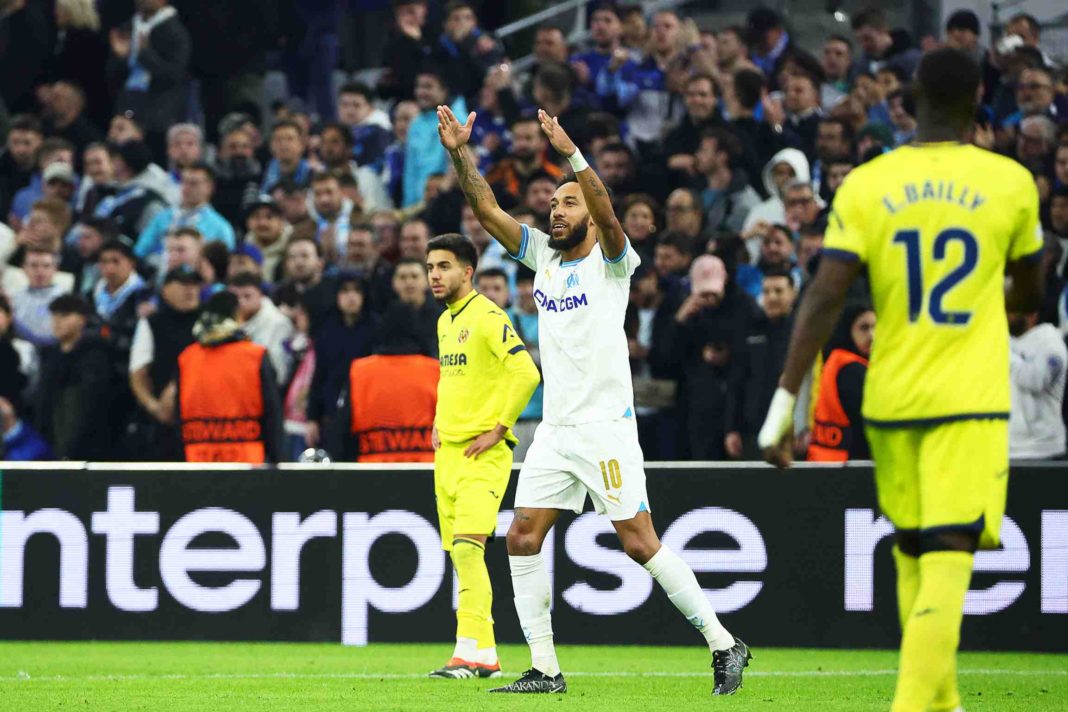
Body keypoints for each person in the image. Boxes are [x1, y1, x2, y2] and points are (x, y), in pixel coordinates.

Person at [758, 49, 1045, 712]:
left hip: (889, 400)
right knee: (950, 550)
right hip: (966, 399)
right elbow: (1028, 293)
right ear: (979, 96)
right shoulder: (1009, 183)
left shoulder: (866, 183)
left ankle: (942, 704)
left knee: (913, 549)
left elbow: (824, 297)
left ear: (909, 96)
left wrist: (782, 409)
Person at [439, 103, 750, 695]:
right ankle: (545, 671)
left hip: (606, 427)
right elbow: (485, 208)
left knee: (638, 543)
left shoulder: (614, 263)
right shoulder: (542, 258)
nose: (557, 212)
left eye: (568, 203)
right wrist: (459, 151)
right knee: (521, 537)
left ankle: (723, 641)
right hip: (556, 429)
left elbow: (607, 211)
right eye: (554, 204)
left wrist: (572, 155)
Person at [423, 233, 539, 678]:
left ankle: (465, 653)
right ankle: (486, 656)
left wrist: (500, 428)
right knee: (460, 554)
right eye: (431, 267)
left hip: (481, 455)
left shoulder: (489, 316)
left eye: (444, 266)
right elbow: (454, 378)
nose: (435, 275)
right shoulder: (445, 321)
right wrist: (438, 420)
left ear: (467, 272)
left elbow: (526, 372)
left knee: (470, 551)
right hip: (448, 452)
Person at [176, 290, 283, 463]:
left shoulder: (187, 358)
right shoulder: (255, 356)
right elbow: (273, 415)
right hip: (247, 463)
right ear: (237, 315)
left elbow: (178, 419)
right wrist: (280, 462)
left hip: (198, 462)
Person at [128, 265, 201, 461]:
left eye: (194, 284)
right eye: (183, 284)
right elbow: (138, 373)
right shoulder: (152, 323)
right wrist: (154, 407)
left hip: (202, 418)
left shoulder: (210, 322)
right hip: (166, 423)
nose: (190, 290)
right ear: (165, 290)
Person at [725, 268, 797, 459]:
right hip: (753, 432)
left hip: (791, 433)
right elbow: (737, 382)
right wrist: (732, 428)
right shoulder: (750, 329)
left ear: (793, 294)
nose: (772, 297)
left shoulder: (801, 335)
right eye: (766, 291)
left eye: (779, 291)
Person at [106, 0, 191, 159]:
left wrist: (145, 55)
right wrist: (120, 58)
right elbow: (111, 77)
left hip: (157, 115)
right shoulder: (128, 27)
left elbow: (174, 76)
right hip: (127, 106)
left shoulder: (175, 32)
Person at [35, 293, 113, 459]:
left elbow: (92, 403)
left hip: (89, 446)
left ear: (82, 319)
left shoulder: (95, 353)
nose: (57, 322)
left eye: (64, 315)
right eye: (54, 316)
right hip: (51, 443)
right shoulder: (49, 355)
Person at [807, 305, 874, 461]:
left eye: (875, 327)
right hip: (847, 464)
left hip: (823, 459)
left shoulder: (835, 360)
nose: (872, 336)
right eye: (863, 328)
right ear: (847, 330)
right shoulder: (853, 369)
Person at [1008, 309, 1067, 459]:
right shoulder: (1002, 340)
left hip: (1045, 448)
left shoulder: (1050, 342)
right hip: (1008, 447)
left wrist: (1002, 352)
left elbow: (1035, 380)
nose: (1008, 315)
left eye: (1014, 311)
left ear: (1032, 315)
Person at [228, 271, 293, 383]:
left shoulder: (278, 323)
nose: (240, 302)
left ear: (260, 295)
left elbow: (280, 373)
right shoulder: (228, 322)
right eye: (235, 297)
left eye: (247, 296)